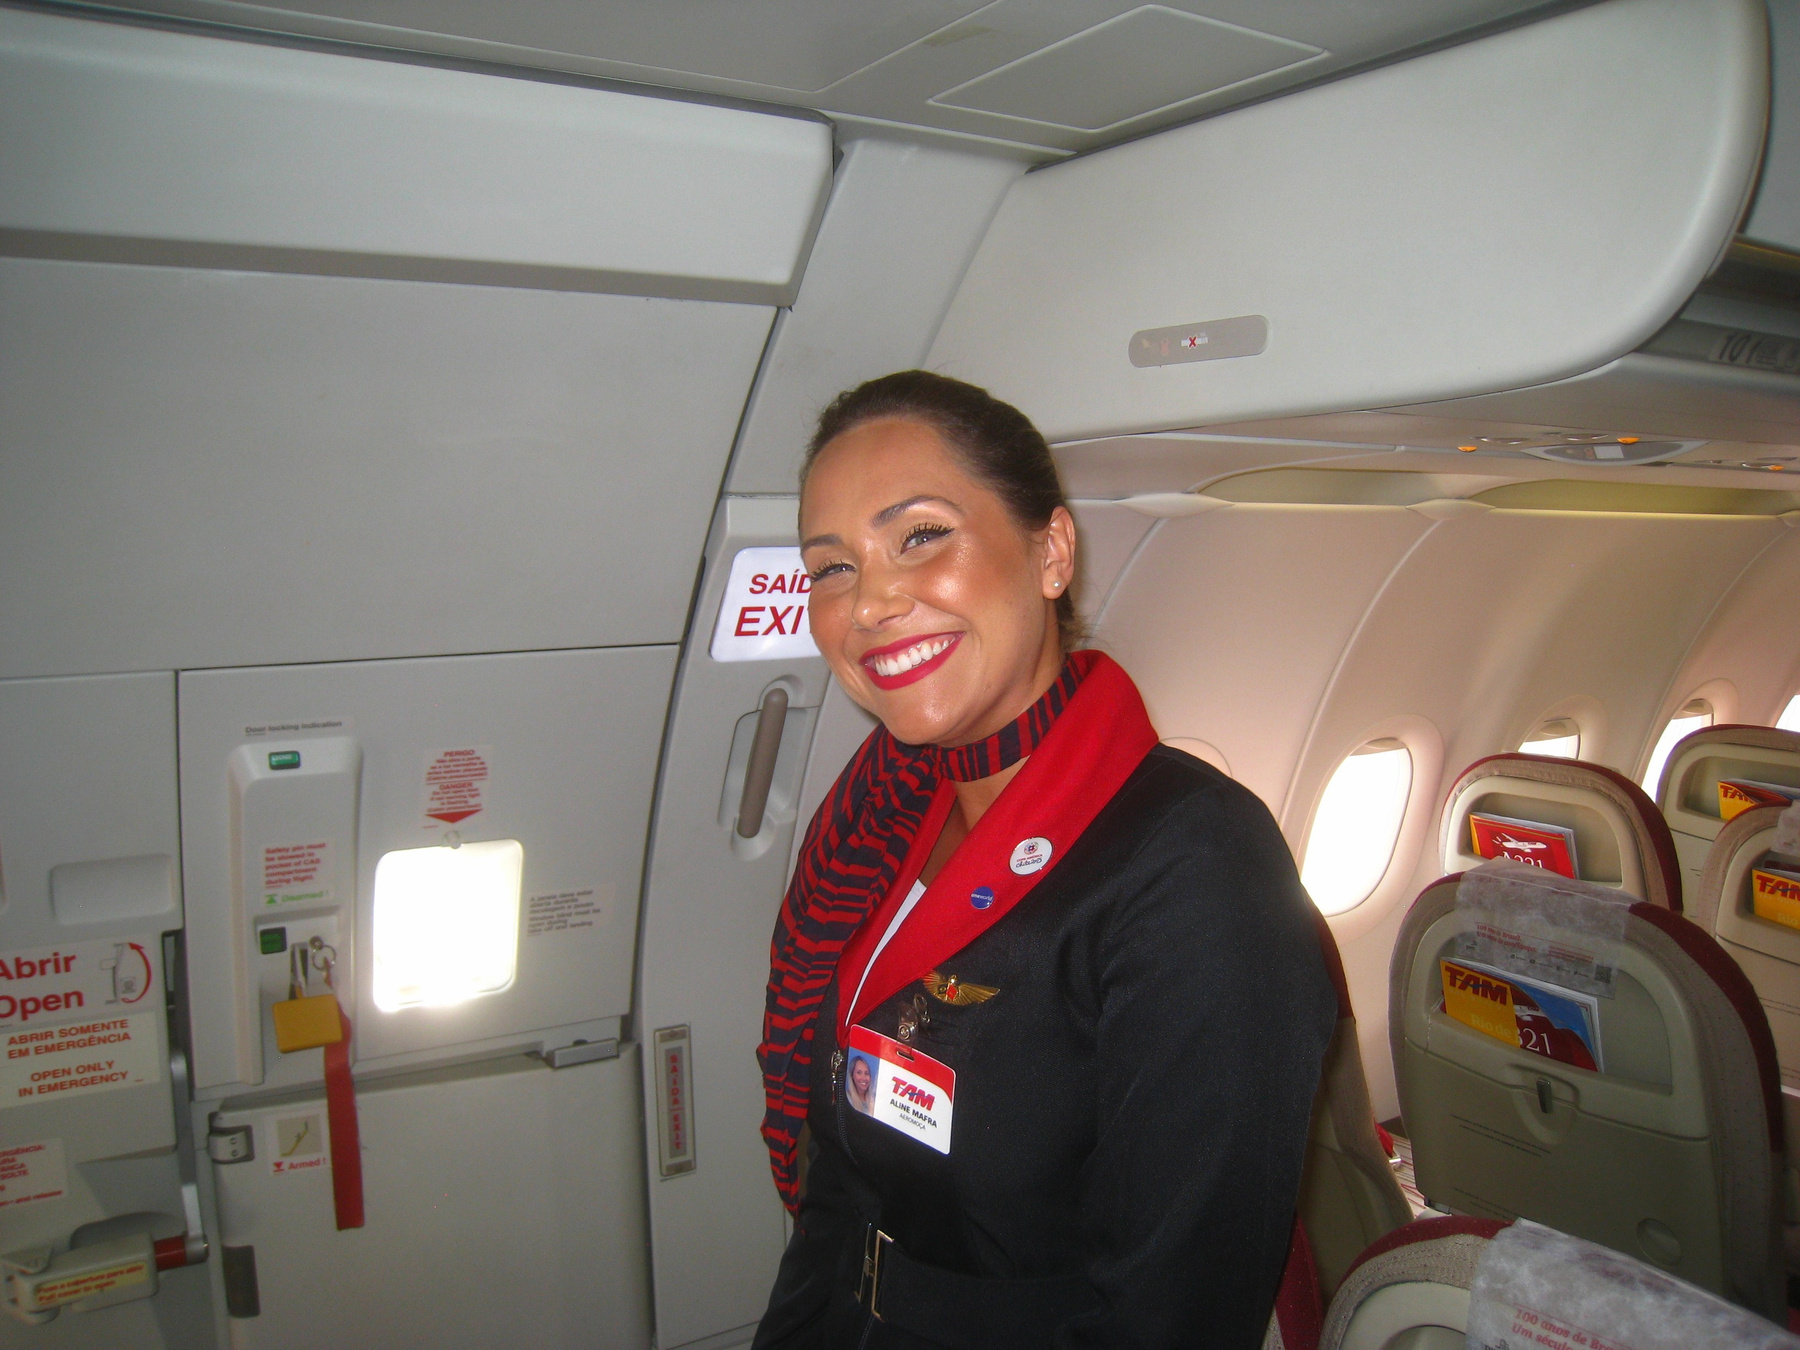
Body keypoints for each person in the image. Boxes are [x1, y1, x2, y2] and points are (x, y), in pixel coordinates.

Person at [754, 370, 1335, 1349]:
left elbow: (1172, 1312)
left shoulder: (1196, 867)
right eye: (833, 567)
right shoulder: (882, 824)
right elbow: (839, 1191)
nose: (872, 602)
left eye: (921, 536)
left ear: (1051, 552)